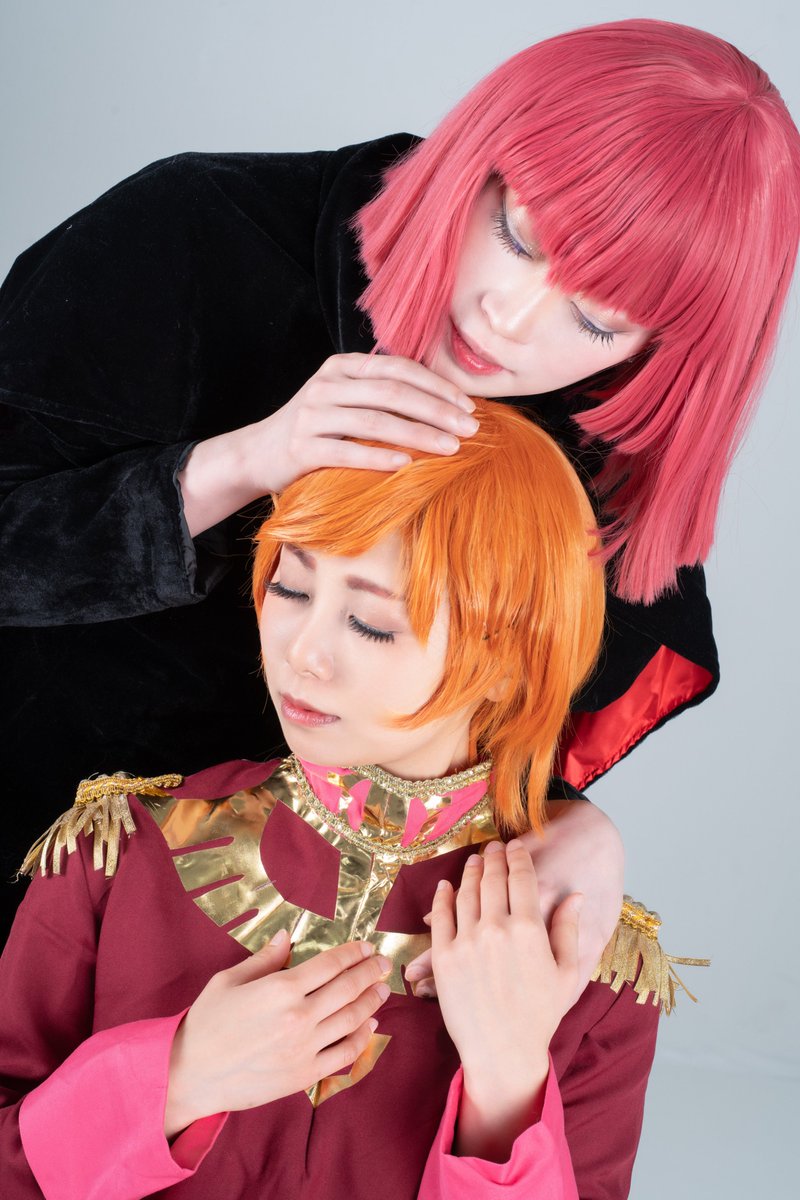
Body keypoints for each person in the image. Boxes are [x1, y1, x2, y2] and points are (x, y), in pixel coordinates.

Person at [1, 18, 798, 941]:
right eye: (517, 237)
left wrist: (574, 821)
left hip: (269, 947)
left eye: (595, 321)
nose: (507, 320)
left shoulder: (595, 455)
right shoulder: (200, 230)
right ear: (478, 156)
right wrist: (241, 463)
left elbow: (496, 751)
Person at [0, 401, 697, 1199]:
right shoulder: (117, 851)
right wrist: (174, 1081)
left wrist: (507, 1080)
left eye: (371, 624)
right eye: (290, 586)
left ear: (510, 661)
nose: (301, 653)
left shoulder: (585, 959)